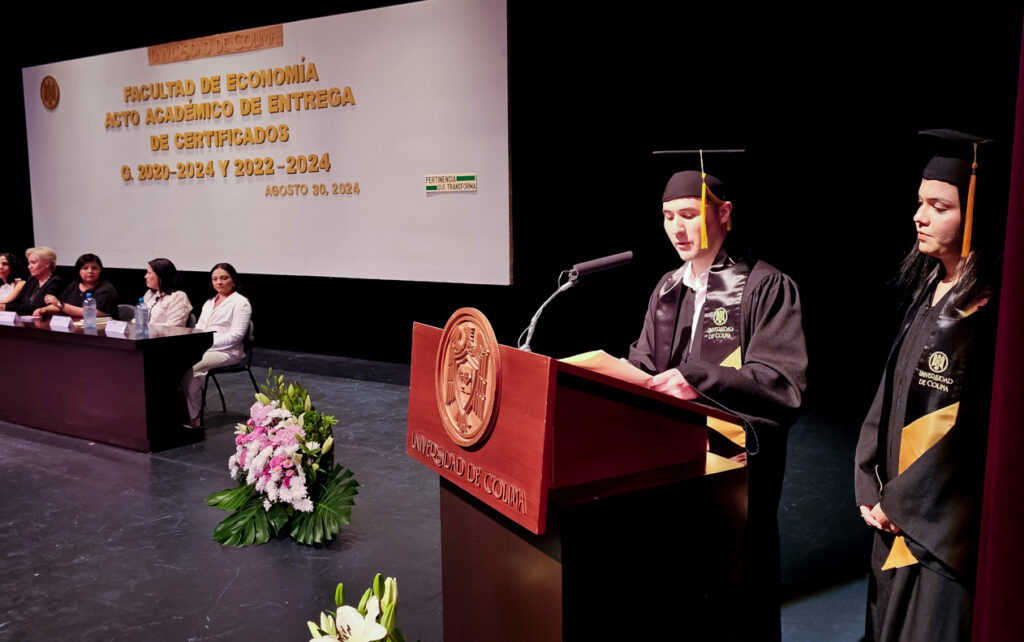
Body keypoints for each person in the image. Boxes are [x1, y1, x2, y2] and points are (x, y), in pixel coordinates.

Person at [628, 169, 807, 641]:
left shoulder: (767, 288)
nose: (677, 229)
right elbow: (644, 363)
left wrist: (697, 379)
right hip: (669, 471)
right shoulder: (666, 290)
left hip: (736, 477)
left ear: (724, 214)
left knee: (735, 598)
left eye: (689, 214)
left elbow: (782, 383)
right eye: (668, 217)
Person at [854, 130, 998, 641]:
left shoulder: (985, 312)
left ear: (975, 213)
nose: (920, 216)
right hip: (892, 515)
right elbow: (886, 397)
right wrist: (869, 482)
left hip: (936, 534)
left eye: (939, 206)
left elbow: (970, 433)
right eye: (920, 203)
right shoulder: (928, 292)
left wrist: (903, 504)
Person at [184, 263, 252, 426]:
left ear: (233, 280)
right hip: (204, 347)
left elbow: (236, 335)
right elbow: (199, 327)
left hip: (227, 351)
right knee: (176, 364)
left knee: (190, 367)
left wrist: (207, 344)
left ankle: (194, 415)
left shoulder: (241, 303)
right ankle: (186, 410)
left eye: (224, 278)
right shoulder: (209, 302)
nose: (219, 282)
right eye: (215, 279)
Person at [35, 253, 118, 319]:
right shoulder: (74, 285)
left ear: (100, 270)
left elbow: (94, 313)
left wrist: (59, 304)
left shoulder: (106, 289)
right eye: (85, 268)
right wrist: (44, 310)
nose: (90, 271)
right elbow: (61, 307)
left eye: (94, 268)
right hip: (76, 329)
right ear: (78, 271)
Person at [0, 247, 65, 316]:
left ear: (47, 264)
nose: (29, 266)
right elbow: (18, 301)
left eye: (33, 263)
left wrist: (6, 307)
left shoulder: (55, 281)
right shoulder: (31, 280)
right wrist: (4, 306)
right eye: (29, 263)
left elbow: (40, 306)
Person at [142, 258, 192, 326]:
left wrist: (148, 326)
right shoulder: (149, 294)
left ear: (160, 276)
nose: (145, 276)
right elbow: (140, 319)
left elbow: (173, 325)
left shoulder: (178, 297)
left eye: (149, 273)